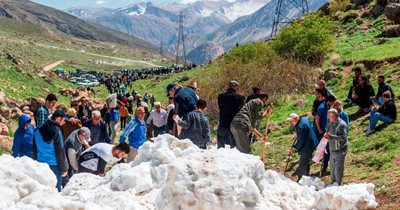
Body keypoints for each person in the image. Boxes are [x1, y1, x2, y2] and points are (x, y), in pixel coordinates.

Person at [33, 109, 68, 192]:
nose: (64, 123)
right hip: (54, 165)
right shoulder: (57, 131)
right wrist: (64, 168)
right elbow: (60, 151)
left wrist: (34, 162)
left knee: (42, 189)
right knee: (55, 190)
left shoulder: (38, 129)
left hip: (40, 164)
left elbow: (34, 148)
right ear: (58, 119)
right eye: (63, 120)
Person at [287, 113, 318, 181]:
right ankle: (306, 176)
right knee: (306, 161)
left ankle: (301, 179)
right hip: (312, 142)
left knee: (302, 163)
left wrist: (294, 148)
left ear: (295, 119)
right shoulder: (304, 119)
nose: (291, 123)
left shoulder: (300, 127)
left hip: (307, 146)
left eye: (291, 121)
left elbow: (301, 141)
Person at [324, 109, 348, 185]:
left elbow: (343, 137)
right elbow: (328, 132)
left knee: (338, 169)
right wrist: (326, 135)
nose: (328, 118)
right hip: (332, 148)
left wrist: (331, 136)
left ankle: (338, 184)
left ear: (334, 116)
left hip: (340, 150)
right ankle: (333, 183)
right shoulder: (330, 123)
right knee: (332, 168)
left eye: (329, 116)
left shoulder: (342, 124)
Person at [217, 80, 244, 148]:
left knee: (221, 148)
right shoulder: (238, 97)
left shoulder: (220, 96)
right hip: (233, 125)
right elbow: (242, 111)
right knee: (233, 148)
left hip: (222, 123)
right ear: (235, 87)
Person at [314, 94, 336, 174]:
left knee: (327, 149)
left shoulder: (327, 107)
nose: (332, 104)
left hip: (325, 131)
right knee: (325, 149)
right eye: (332, 102)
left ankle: (324, 166)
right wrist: (319, 128)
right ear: (329, 101)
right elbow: (317, 117)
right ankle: (323, 168)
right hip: (319, 131)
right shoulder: (322, 107)